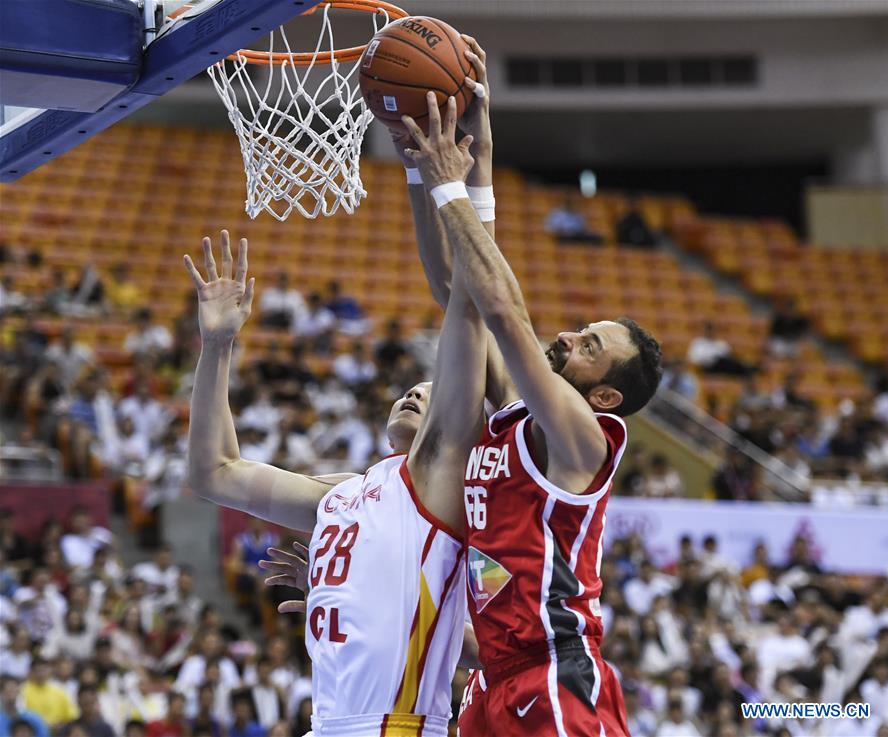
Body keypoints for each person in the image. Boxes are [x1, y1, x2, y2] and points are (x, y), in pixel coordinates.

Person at [402, 42, 661, 737]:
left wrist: (451, 183)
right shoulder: (516, 417)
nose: (572, 337)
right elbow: (460, 297)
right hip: (491, 673)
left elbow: (504, 313)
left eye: (590, 346)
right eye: (582, 327)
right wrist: (434, 168)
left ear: (604, 396)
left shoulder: (582, 438)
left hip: (555, 670)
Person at [182, 225, 487, 734]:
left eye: (431, 395)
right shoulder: (345, 493)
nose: (415, 394)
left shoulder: (442, 486)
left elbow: (466, 327)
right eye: (410, 388)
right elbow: (214, 473)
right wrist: (217, 345)